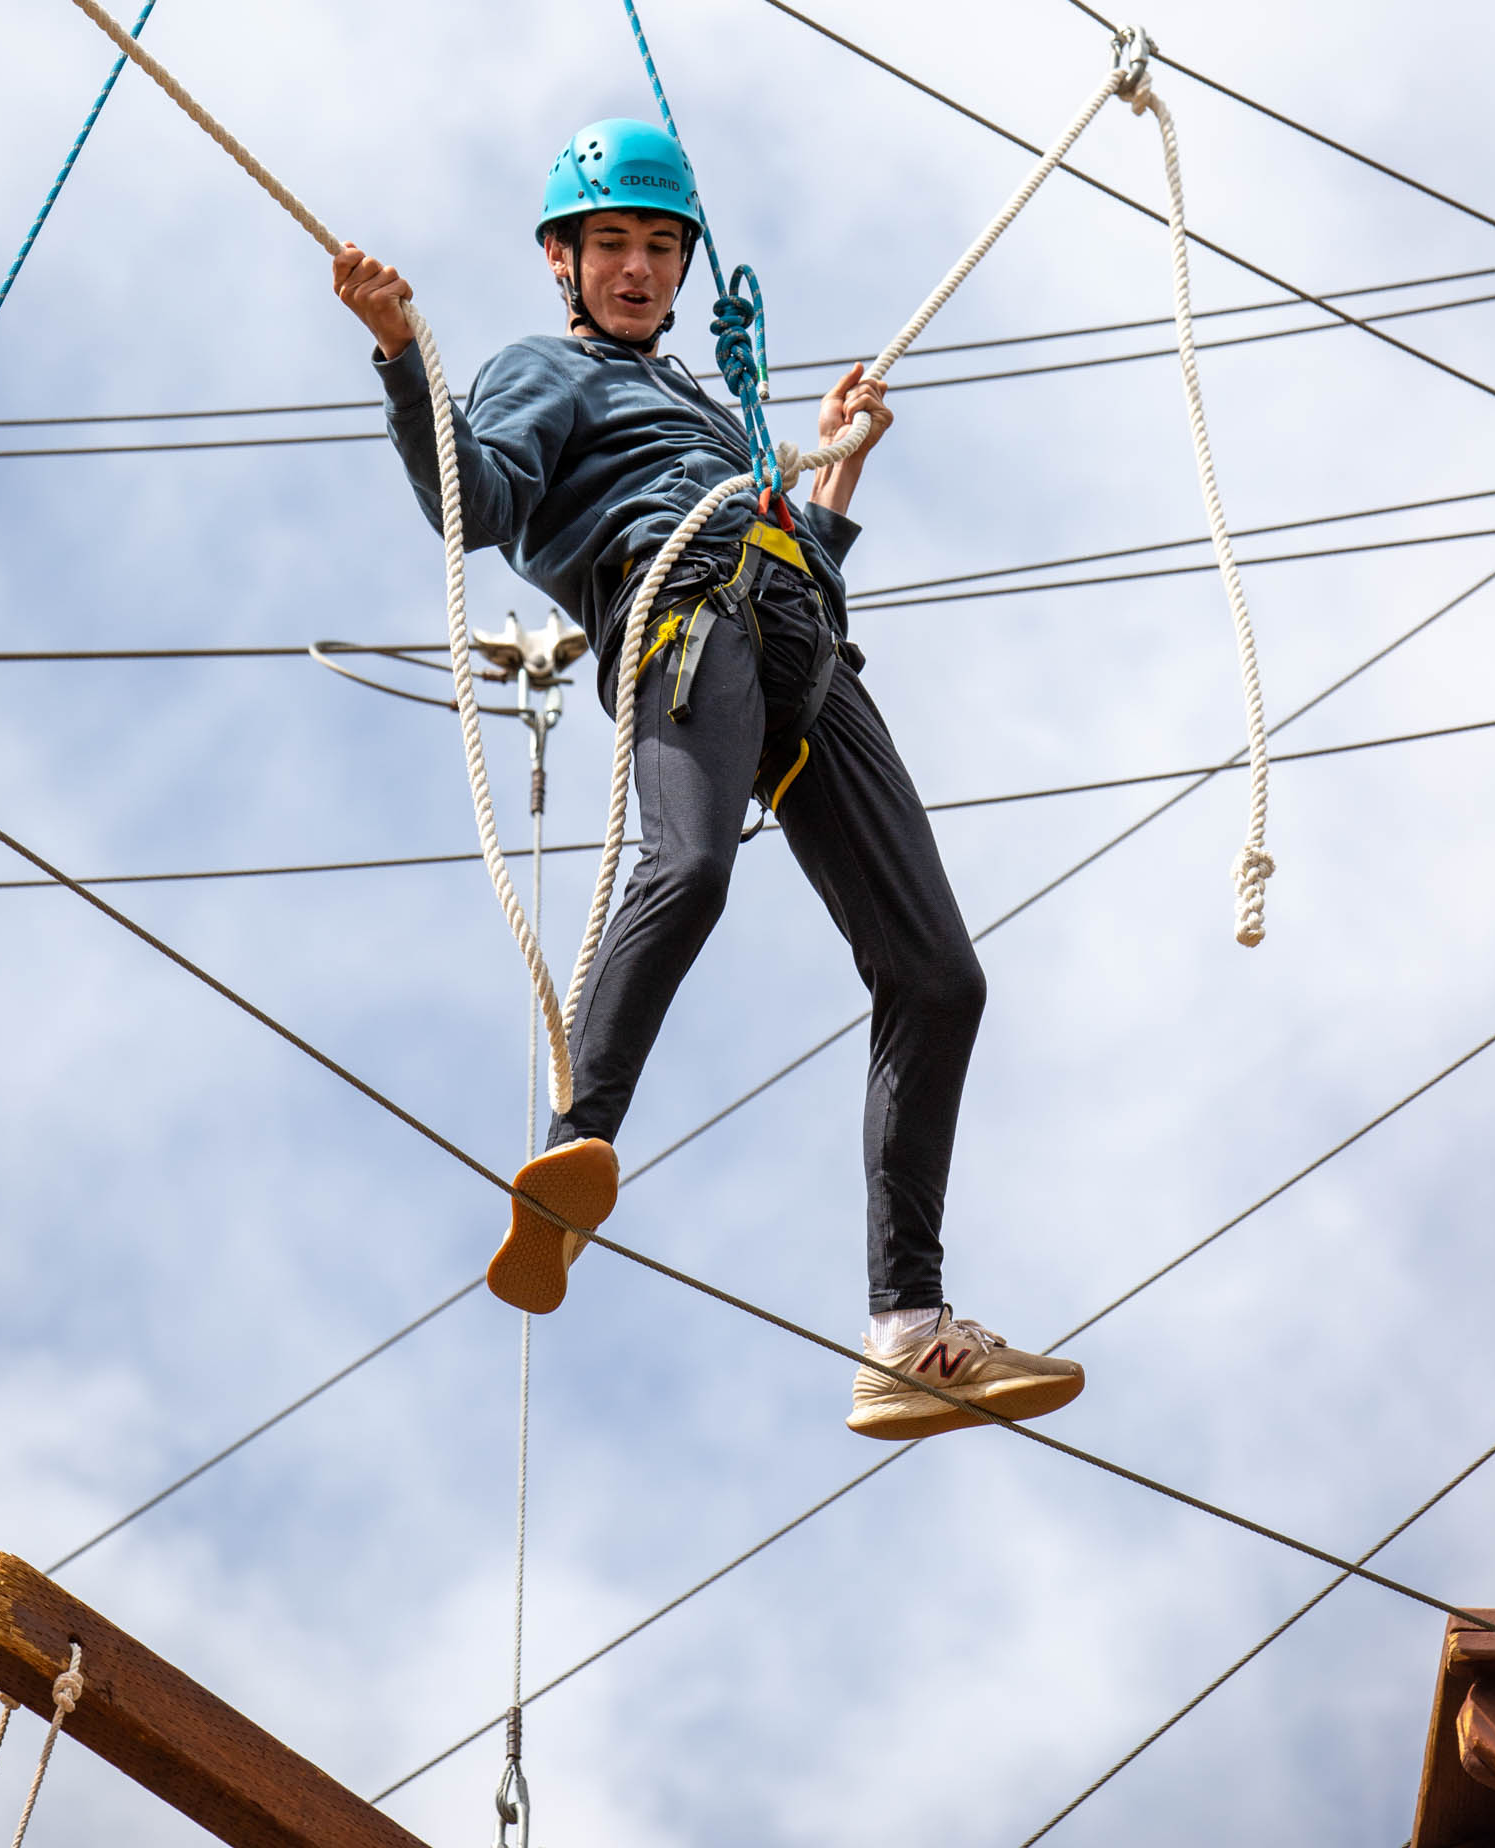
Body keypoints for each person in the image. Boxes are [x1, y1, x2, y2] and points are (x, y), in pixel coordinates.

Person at [332, 119, 1083, 1439]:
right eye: (611, 243)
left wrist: (836, 461)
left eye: (659, 246)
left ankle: (908, 1331)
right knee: (690, 866)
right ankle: (574, 1155)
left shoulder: (704, 404)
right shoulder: (542, 378)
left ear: (686, 269)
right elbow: (480, 504)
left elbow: (805, 549)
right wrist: (404, 354)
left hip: (801, 641)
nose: (636, 267)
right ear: (563, 262)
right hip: (685, 611)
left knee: (940, 976)